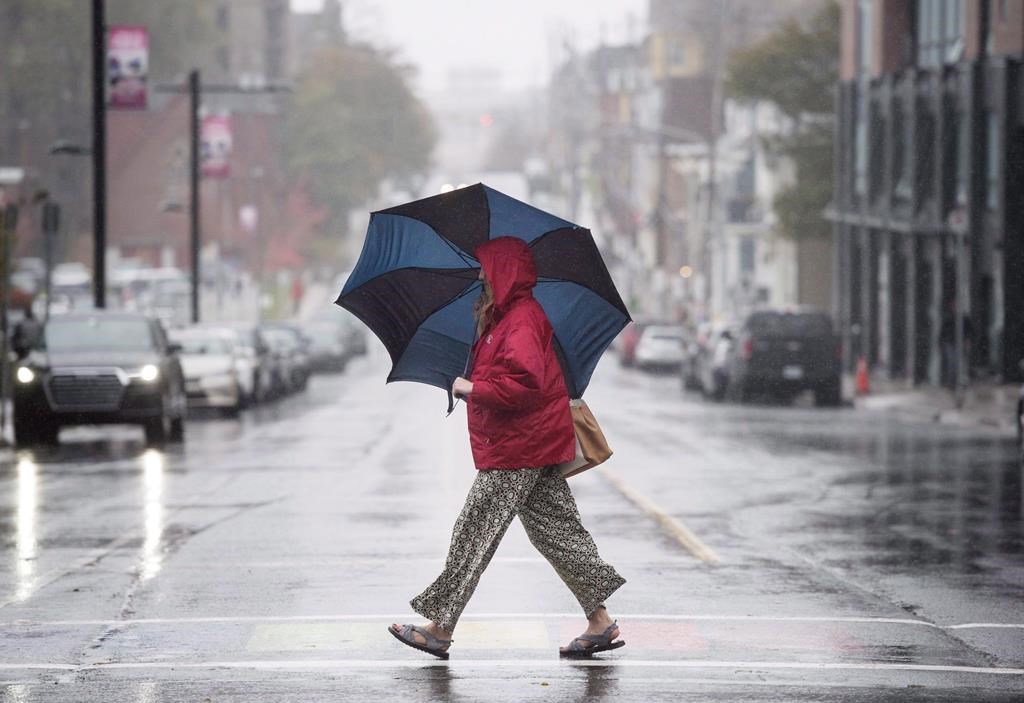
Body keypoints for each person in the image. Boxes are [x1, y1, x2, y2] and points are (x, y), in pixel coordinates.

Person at [388, 236, 626, 659]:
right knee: (559, 534)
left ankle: (440, 627)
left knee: (474, 531)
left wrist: (471, 388)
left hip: (519, 447)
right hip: (528, 444)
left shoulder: (522, 321)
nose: (480, 275)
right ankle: (600, 621)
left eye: (486, 268)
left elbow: (525, 386)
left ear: (505, 272)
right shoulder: (503, 320)